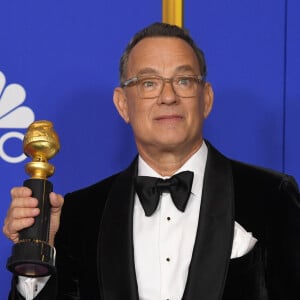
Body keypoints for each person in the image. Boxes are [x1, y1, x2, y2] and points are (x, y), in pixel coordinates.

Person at [3, 22, 300, 300]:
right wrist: (34, 259)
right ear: (123, 104)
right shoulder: (79, 213)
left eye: (183, 80)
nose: (167, 96)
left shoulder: (271, 197)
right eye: (148, 83)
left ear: (206, 99)